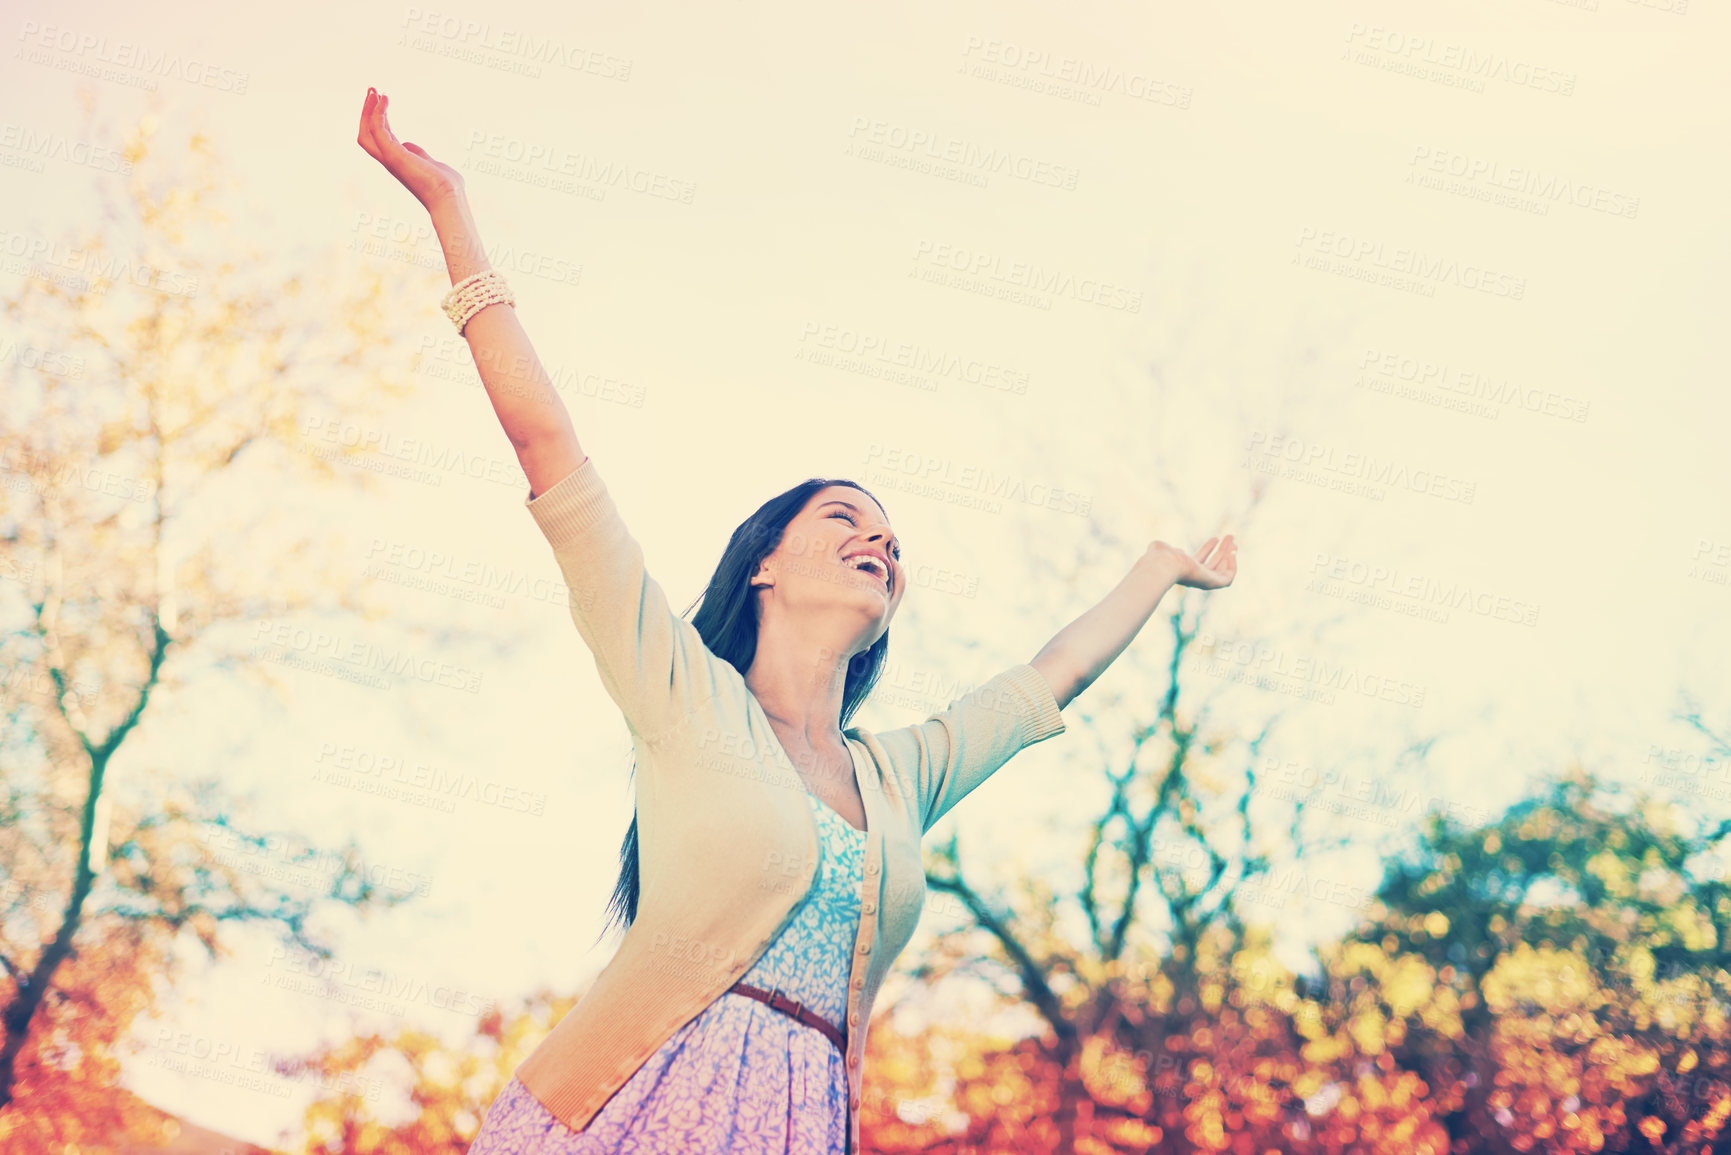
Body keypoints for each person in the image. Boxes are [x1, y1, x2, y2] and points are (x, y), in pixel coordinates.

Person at [356, 87, 1237, 1155]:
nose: (881, 543)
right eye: (845, 520)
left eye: (893, 542)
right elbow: (550, 449)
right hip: (635, 1107)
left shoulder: (900, 776)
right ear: (766, 564)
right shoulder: (682, 693)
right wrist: (453, 217)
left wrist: (1160, 569)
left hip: (799, 1123)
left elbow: (1053, 675)